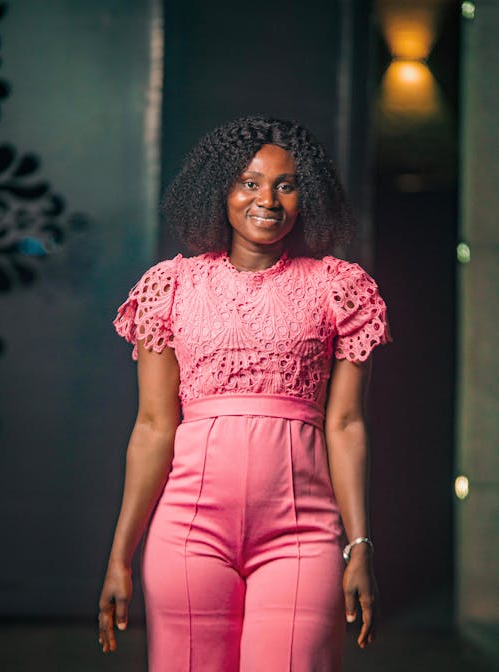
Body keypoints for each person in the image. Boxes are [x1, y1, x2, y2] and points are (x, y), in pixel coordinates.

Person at [98, 116, 391, 671]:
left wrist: (360, 547)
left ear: (308, 196)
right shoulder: (171, 286)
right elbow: (153, 427)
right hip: (187, 533)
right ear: (219, 190)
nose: (268, 199)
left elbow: (347, 425)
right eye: (249, 182)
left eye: (286, 184)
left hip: (302, 535)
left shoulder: (339, 288)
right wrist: (120, 556)